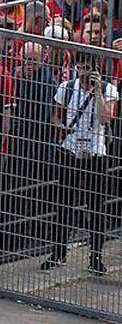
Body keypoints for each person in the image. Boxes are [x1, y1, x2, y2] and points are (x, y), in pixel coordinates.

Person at [43, 53, 117, 276]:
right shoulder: (67, 87)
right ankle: (58, 252)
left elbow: (106, 119)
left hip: (96, 152)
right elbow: (54, 116)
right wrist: (62, 127)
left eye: (88, 69)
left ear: (96, 70)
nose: (83, 73)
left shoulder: (108, 89)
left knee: (96, 207)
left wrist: (96, 92)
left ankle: (96, 256)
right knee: (64, 204)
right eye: (80, 68)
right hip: (70, 149)